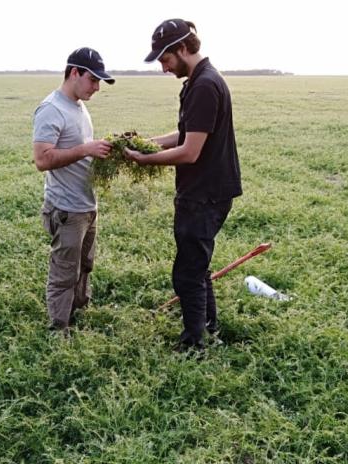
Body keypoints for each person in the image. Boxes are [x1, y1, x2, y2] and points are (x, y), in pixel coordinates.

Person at [125, 19, 242, 352]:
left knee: (188, 273)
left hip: (204, 194)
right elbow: (186, 135)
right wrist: (147, 143)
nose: (163, 67)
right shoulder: (199, 81)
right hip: (207, 191)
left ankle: (194, 345)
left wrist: (143, 160)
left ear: (181, 48)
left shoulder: (205, 85)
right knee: (197, 264)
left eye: (165, 58)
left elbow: (190, 152)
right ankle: (208, 327)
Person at [32, 48, 115, 333]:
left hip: (86, 205)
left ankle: (79, 310)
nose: (97, 87)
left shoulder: (78, 106)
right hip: (66, 207)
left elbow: (80, 149)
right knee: (65, 271)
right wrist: (86, 149)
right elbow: (42, 159)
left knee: (85, 264)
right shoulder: (51, 109)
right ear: (74, 72)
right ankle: (59, 328)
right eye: (93, 80)